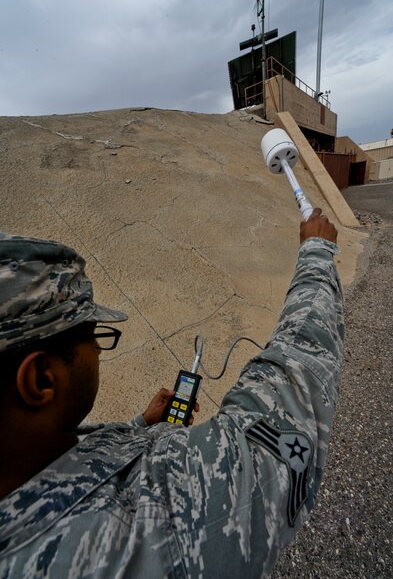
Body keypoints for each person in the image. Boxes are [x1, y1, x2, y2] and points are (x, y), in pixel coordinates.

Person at [0, 208, 341, 578]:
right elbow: (292, 386)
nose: (98, 350)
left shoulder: (26, 459)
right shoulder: (155, 516)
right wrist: (317, 252)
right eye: (93, 335)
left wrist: (137, 429)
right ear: (40, 380)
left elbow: (72, 460)